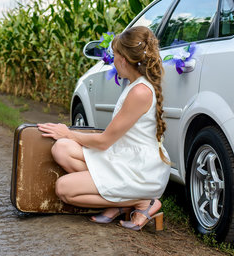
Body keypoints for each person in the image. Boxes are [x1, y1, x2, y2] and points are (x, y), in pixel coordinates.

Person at [38, 26, 170, 231]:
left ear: (124, 59)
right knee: (61, 148)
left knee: (63, 188)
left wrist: (68, 133)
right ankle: (120, 201)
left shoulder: (140, 92)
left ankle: (142, 202)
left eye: (114, 55)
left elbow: (104, 141)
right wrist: (68, 138)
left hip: (138, 169)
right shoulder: (133, 85)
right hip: (123, 156)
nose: (112, 61)